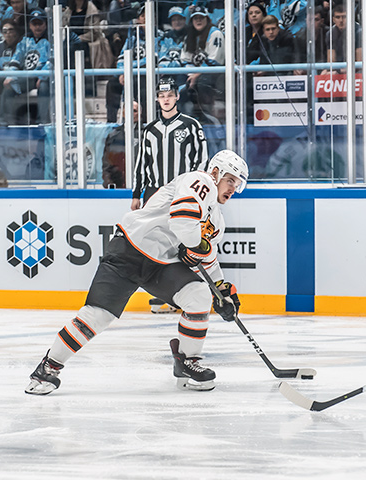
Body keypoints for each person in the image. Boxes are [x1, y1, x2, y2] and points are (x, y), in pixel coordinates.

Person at [25, 149, 248, 395]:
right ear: (215, 173)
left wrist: (221, 291)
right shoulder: (199, 180)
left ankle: (187, 362)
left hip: (162, 265)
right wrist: (196, 246)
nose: (232, 189)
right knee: (97, 315)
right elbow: (183, 221)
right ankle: (48, 367)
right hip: (129, 250)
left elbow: (205, 258)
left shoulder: (217, 221)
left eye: (237, 186)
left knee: (199, 295)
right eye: (230, 181)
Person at [132, 76, 208, 209]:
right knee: (152, 229)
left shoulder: (191, 125)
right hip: (154, 192)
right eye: (161, 96)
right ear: (157, 98)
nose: (166, 99)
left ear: (177, 96)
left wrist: (193, 187)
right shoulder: (150, 130)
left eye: (170, 95)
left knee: (180, 228)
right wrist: (136, 195)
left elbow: (201, 160)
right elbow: (142, 164)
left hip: (182, 192)